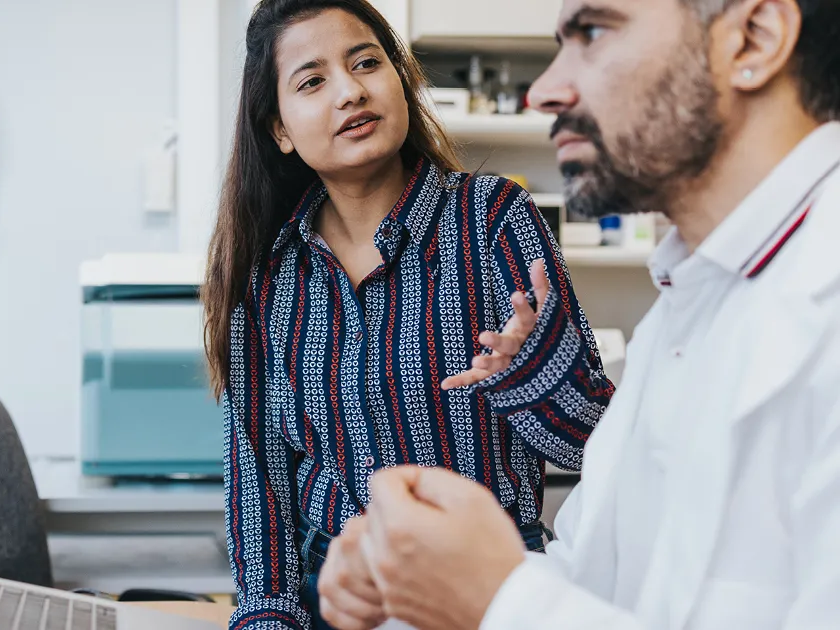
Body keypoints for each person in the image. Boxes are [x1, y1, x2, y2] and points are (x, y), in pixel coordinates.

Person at [316, 0, 840, 629]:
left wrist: (498, 600)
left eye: (593, 32)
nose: (544, 91)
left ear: (753, 39)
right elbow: (588, 573)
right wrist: (412, 579)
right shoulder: (681, 314)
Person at [200, 1, 616, 628]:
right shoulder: (267, 277)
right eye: (312, 81)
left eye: (367, 63)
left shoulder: (493, 219)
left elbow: (596, 451)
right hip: (336, 601)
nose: (350, 91)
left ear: (401, 78)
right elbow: (260, 485)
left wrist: (529, 372)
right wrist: (267, 618)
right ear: (280, 129)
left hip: (483, 591)